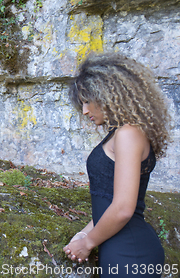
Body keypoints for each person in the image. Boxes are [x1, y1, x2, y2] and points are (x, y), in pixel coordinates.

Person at [63, 53, 171, 277]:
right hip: (122, 251)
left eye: (87, 101)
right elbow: (108, 202)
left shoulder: (128, 134)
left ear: (106, 93)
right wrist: (83, 234)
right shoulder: (124, 132)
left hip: (130, 255)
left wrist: (88, 243)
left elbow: (123, 209)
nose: (84, 111)